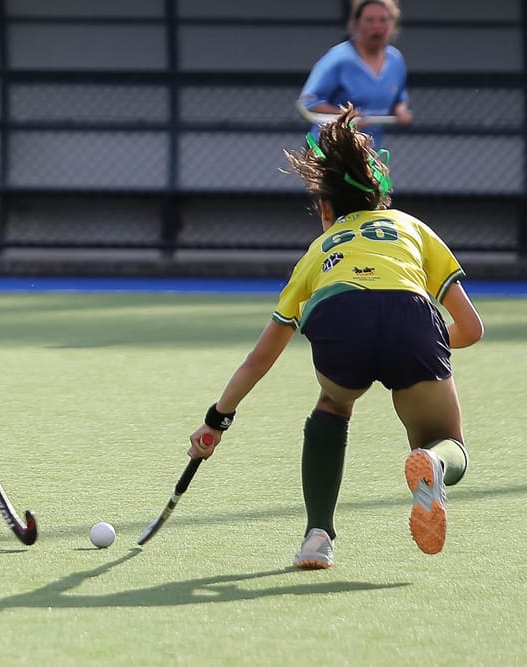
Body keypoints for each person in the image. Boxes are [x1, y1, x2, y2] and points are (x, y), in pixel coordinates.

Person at [187, 105, 483, 569]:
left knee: (332, 405)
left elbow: (260, 357)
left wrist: (217, 419)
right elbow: (471, 328)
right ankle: (435, 466)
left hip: (340, 318)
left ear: (325, 208)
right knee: (447, 441)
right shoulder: (409, 227)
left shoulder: (317, 252)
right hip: (412, 319)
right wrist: (423, 341)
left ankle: (317, 539)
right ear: (379, 197)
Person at [298, 0, 413, 149]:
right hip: (330, 150)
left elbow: (399, 98)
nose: (377, 26)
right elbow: (309, 101)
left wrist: (401, 111)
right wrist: (347, 116)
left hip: (367, 151)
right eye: (369, 20)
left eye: (383, 20)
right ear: (356, 23)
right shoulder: (339, 57)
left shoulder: (395, 60)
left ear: (393, 24)